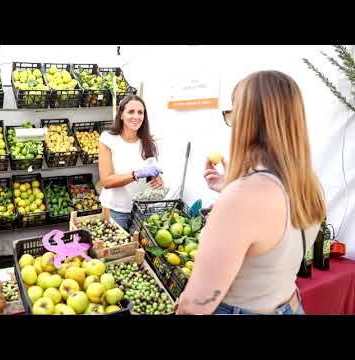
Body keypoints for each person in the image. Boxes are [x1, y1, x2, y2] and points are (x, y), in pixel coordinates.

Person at [177, 70, 326, 315]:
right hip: (289, 304)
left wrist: (235, 193)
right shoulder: (310, 184)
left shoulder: (243, 197)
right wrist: (231, 186)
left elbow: (196, 306)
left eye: (232, 113)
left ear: (245, 119)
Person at [98, 95, 163, 230]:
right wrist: (136, 174)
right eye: (131, 112)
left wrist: (158, 180)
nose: (136, 116)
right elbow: (106, 181)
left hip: (141, 211)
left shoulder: (147, 142)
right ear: (121, 114)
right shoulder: (108, 139)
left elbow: (151, 175)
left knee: (139, 249)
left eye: (140, 112)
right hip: (115, 210)